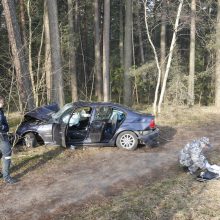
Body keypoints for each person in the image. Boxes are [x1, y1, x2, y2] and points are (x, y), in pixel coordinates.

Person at [0, 96, 17, 184]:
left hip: (2, 135)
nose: (3, 103)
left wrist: (5, 127)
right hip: (1, 136)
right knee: (7, 154)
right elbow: (3, 126)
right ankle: (6, 177)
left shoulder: (1, 111)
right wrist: (3, 127)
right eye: (2, 102)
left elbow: (5, 125)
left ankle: (3, 174)